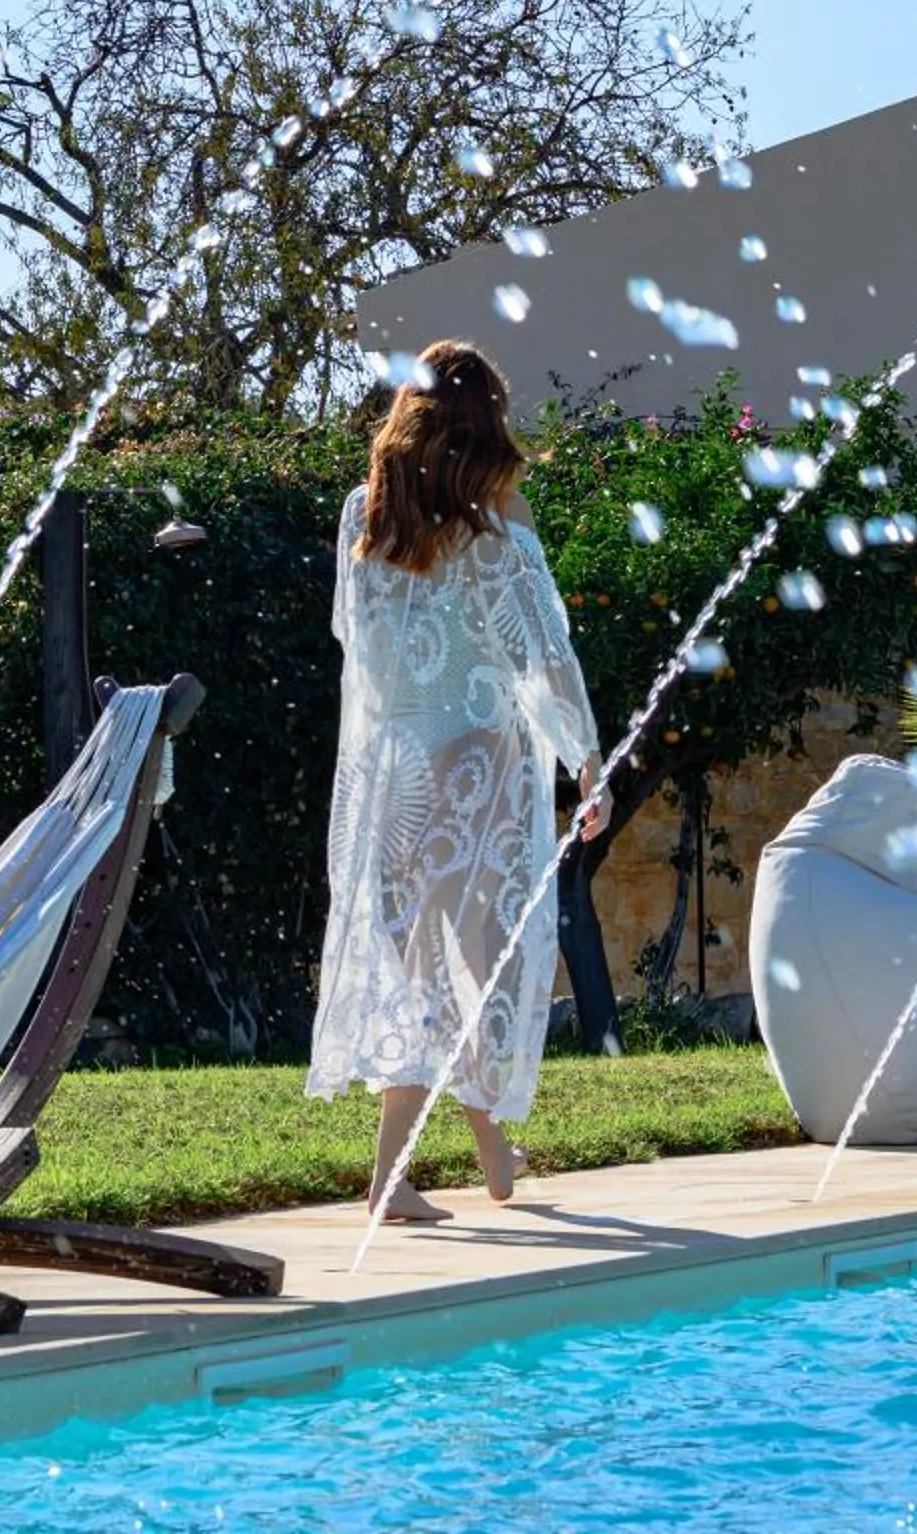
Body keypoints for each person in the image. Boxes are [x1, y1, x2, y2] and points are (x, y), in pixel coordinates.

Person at [307, 339, 608, 1223]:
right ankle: (401, 1177)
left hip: (392, 778)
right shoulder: (495, 522)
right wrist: (587, 759)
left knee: (427, 972)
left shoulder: (367, 517)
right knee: (478, 969)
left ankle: (482, 1154)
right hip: (474, 766)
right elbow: (543, 653)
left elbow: (352, 644)